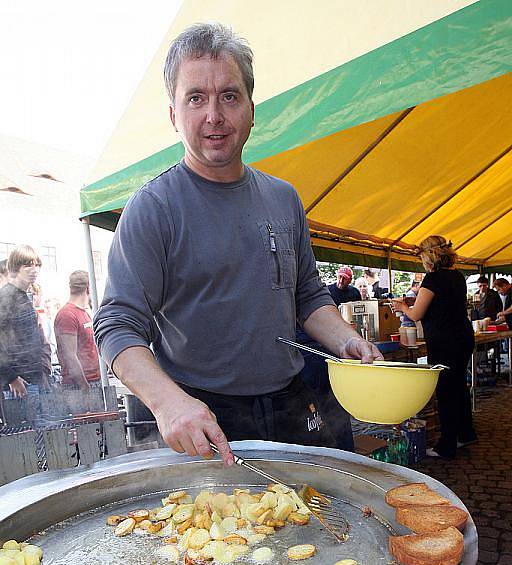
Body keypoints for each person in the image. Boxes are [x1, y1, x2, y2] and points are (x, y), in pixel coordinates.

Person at [94, 22, 382, 465]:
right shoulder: (153, 208)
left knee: (308, 521)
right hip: (204, 416)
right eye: (196, 98)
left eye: (229, 95)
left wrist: (346, 340)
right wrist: (168, 403)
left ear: (251, 108)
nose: (214, 114)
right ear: (174, 115)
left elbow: (308, 296)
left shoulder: (283, 198)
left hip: (292, 405)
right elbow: (116, 324)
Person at [392, 235, 476, 460]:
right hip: (463, 336)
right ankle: (466, 433)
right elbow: (442, 305)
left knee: (446, 390)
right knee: (458, 385)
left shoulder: (432, 279)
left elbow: (416, 314)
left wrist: (401, 306)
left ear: (429, 256)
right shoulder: (458, 276)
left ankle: (446, 445)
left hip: (445, 341)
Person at [0, 245, 51, 398]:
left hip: (35, 380)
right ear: (16, 267)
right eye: (28, 265)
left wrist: (42, 372)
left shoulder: (24, 297)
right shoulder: (5, 297)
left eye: (36, 265)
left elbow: (33, 339)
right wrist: (12, 378)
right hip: (18, 385)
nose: (34, 269)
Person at [55, 271, 101, 390]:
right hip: (77, 385)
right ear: (88, 288)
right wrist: (84, 386)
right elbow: (69, 355)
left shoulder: (84, 313)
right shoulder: (67, 315)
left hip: (93, 380)